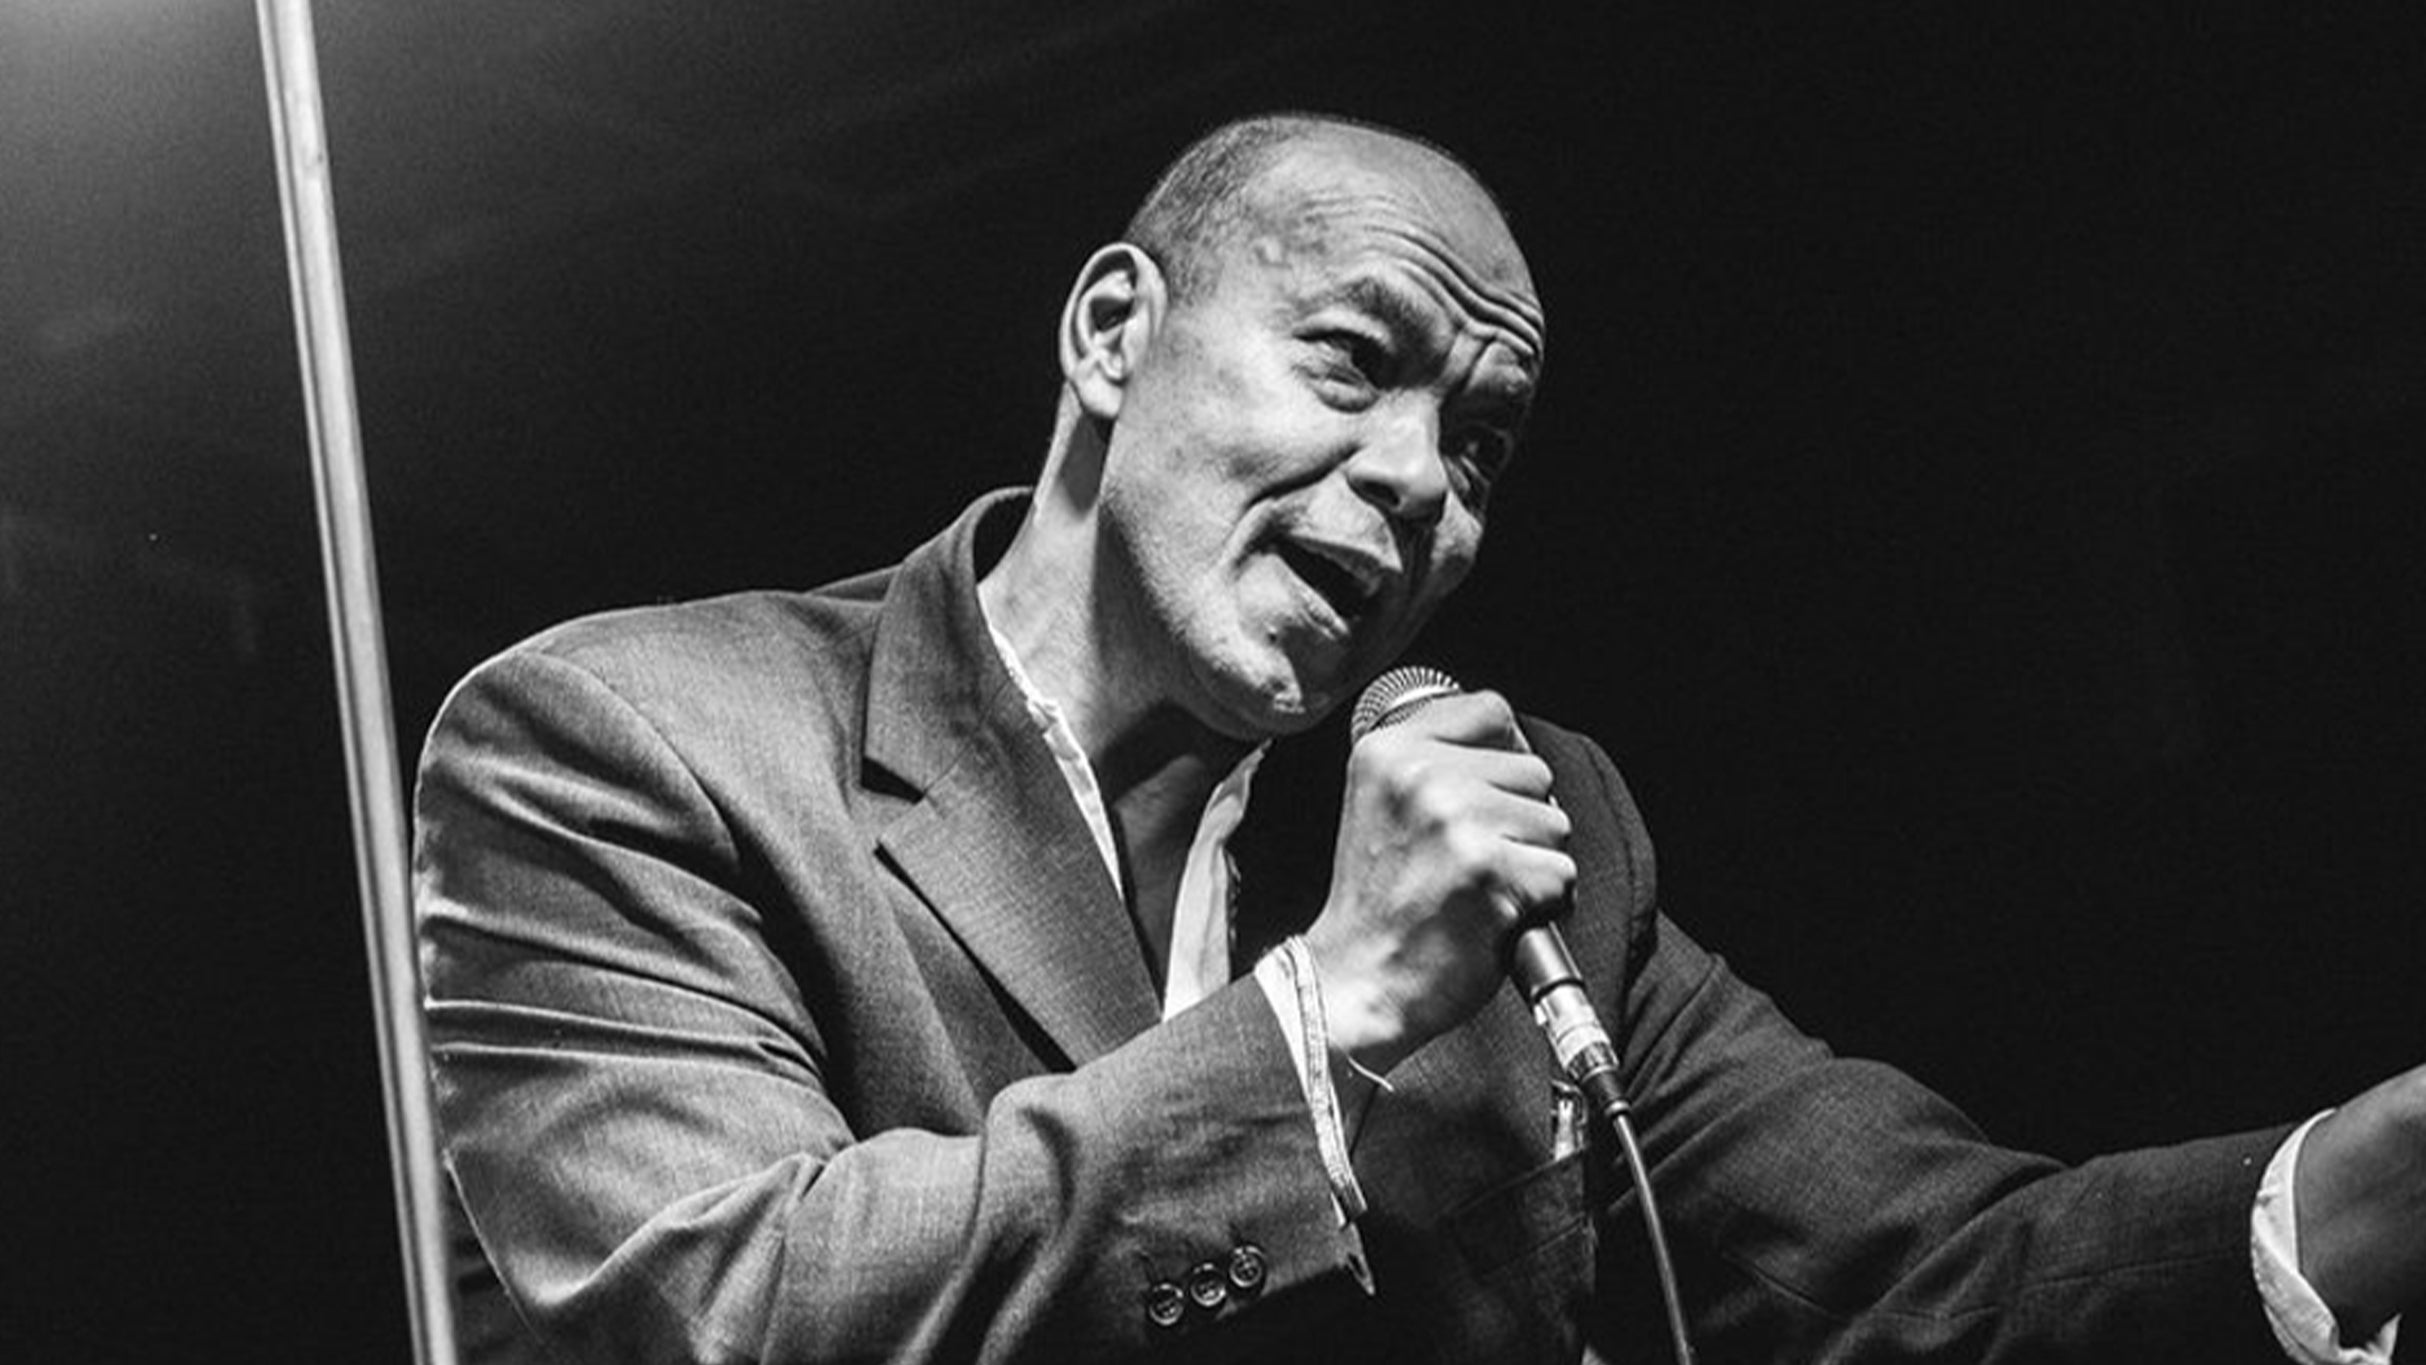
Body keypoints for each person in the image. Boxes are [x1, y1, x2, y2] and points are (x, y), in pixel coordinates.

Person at [413, 113, 2424, 1364]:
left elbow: (1932, 1274)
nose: (1414, 482)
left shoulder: (1533, 833)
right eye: (1352, 363)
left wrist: (2382, 1172)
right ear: (1111, 334)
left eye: (1479, 444)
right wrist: (1332, 1011)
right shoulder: (631, 743)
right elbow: (726, 1316)